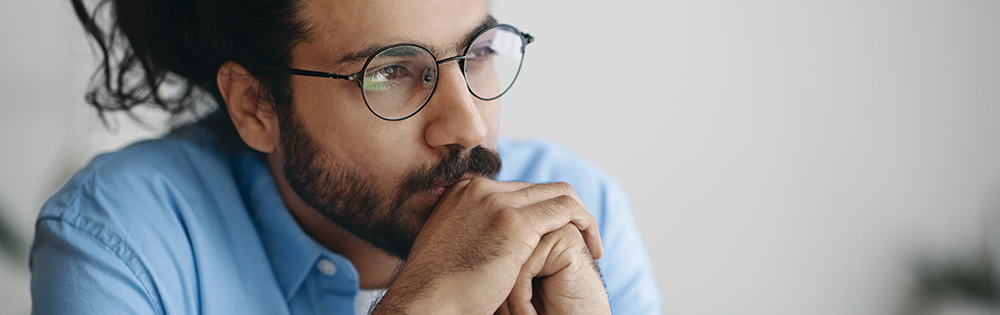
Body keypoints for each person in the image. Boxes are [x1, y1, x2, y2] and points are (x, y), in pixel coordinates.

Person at [30, 0, 661, 314]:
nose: (468, 126)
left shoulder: (575, 209)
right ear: (255, 105)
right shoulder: (117, 240)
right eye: (390, 73)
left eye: (477, 53)